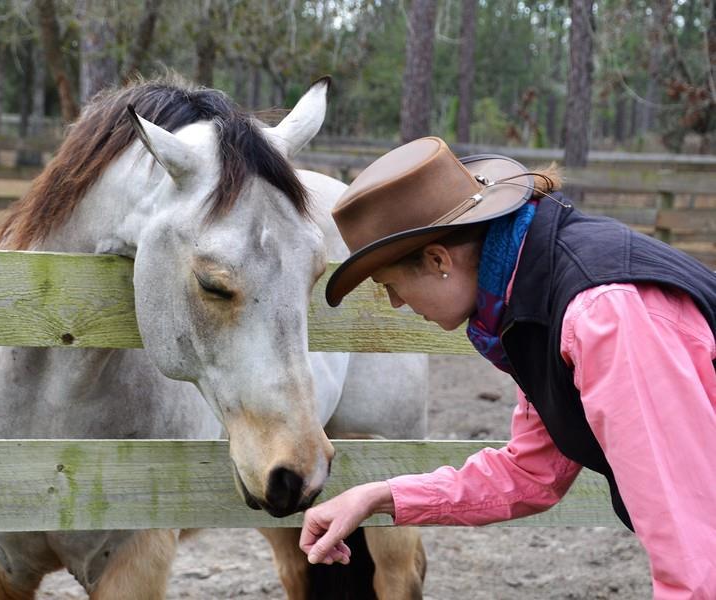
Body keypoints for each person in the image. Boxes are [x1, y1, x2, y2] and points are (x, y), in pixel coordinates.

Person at [298, 137, 716, 598]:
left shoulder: (601, 317)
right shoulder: (532, 305)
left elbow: (693, 555)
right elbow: (533, 472)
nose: (396, 303)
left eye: (391, 284)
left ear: (438, 260)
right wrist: (379, 496)